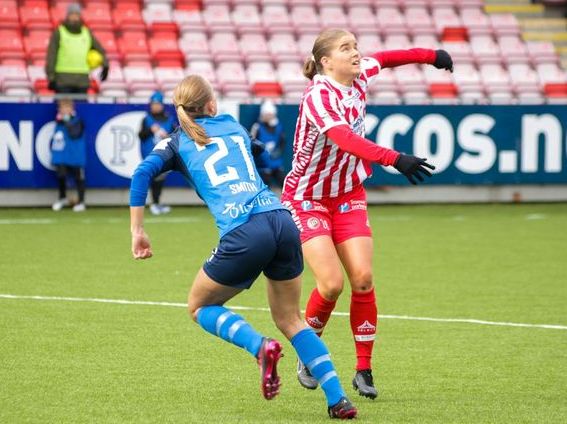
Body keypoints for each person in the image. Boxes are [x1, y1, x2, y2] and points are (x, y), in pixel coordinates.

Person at [129, 75, 358, 419]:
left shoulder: (175, 142)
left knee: (199, 306)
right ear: (211, 105)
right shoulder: (231, 125)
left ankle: (259, 346)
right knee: (291, 319)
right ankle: (339, 400)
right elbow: (260, 151)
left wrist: (138, 230)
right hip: (281, 219)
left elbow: (141, 173)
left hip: (245, 231)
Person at [281, 29, 452, 399]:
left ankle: (364, 369)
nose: (356, 53)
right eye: (346, 48)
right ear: (326, 62)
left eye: (356, 46)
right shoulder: (318, 95)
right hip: (307, 198)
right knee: (331, 284)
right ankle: (309, 353)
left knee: (362, 278)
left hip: (348, 193)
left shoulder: (358, 76)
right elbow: (345, 139)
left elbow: (387, 58)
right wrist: (394, 158)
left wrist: (431, 55)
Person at [46, 3, 109, 94]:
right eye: (72, 14)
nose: (74, 17)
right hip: (63, 80)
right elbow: (51, 55)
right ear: (67, 15)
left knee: (81, 103)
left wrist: (106, 65)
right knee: (64, 103)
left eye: (77, 14)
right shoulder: (59, 32)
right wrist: (51, 76)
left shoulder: (86, 33)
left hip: (82, 80)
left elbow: (100, 50)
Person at [138, 91, 177, 215]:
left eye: (157, 104)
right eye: (153, 104)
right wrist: (150, 130)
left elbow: (176, 136)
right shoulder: (146, 119)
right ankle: (154, 203)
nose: (155, 106)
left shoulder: (169, 119)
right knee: (154, 178)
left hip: (165, 154)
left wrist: (167, 136)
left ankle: (156, 203)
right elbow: (141, 136)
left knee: (160, 179)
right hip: (150, 154)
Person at [50, 98, 87, 212]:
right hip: (62, 156)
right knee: (61, 176)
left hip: (76, 156)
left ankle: (81, 202)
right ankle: (62, 198)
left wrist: (66, 121)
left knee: (79, 178)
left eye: (67, 108)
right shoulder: (58, 123)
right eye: (62, 108)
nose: (64, 110)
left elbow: (74, 134)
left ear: (71, 109)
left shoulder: (77, 121)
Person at [250, 100, 286, 188]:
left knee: (284, 181)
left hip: (275, 161)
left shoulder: (279, 126)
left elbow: (282, 142)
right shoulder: (257, 127)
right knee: (265, 184)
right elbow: (251, 142)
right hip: (262, 163)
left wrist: (278, 152)